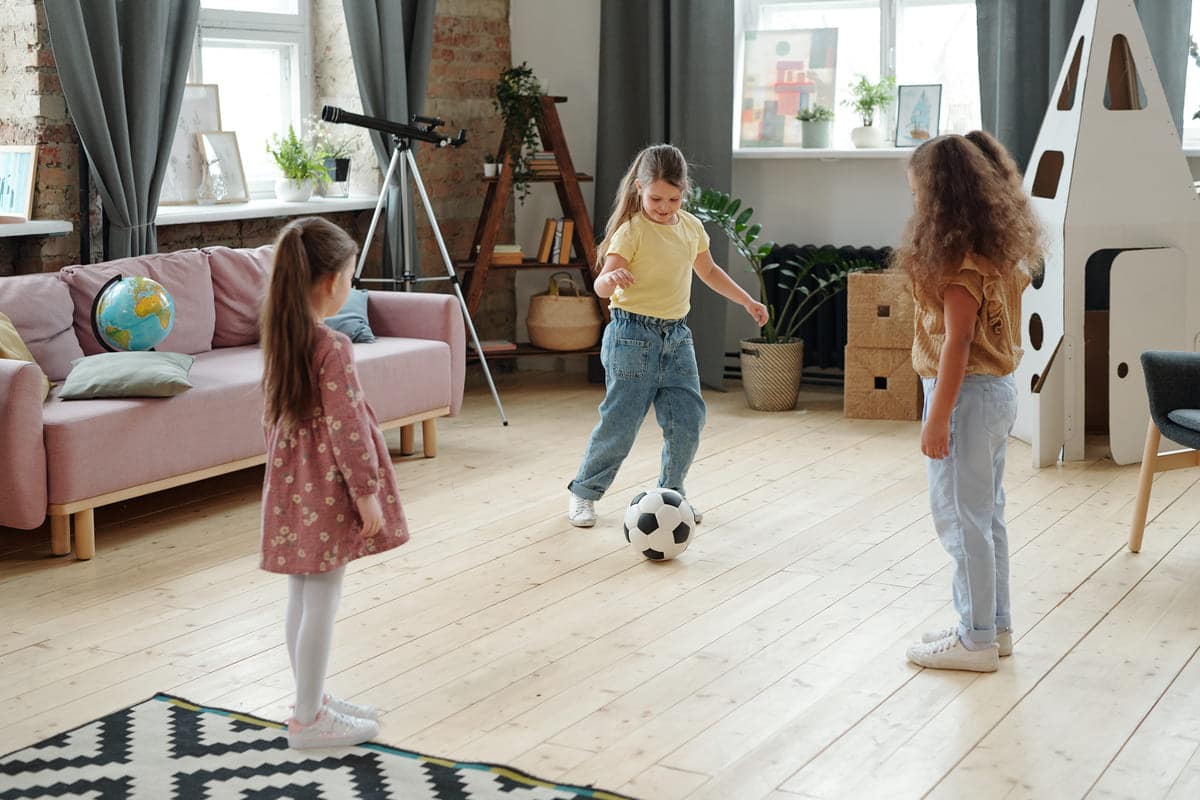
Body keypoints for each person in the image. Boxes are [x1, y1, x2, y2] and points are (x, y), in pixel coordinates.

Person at [259, 217, 409, 747]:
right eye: (351, 276)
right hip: (328, 483)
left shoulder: (282, 336)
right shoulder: (332, 346)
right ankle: (307, 719)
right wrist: (366, 493)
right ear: (332, 283)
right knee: (324, 594)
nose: (352, 284)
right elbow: (348, 428)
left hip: (293, 479)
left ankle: (310, 696)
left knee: (302, 591)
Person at [895, 131, 1041, 672]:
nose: (914, 206)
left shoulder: (958, 265)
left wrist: (937, 419)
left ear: (940, 198)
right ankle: (992, 625)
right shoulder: (996, 250)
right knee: (986, 517)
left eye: (918, 195)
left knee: (960, 519)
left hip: (965, 398)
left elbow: (957, 342)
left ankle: (974, 638)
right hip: (995, 394)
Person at [567, 144, 769, 527]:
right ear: (639, 188)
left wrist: (746, 301)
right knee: (621, 422)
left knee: (688, 420)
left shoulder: (691, 227)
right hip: (632, 336)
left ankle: (671, 496)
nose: (664, 206)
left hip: (677, 337)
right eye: (656, 198)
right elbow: (602, 287)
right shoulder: (631, 231)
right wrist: (610, 279)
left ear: (684, 192)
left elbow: (709, 272)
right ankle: (583, 493)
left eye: (673, 198)